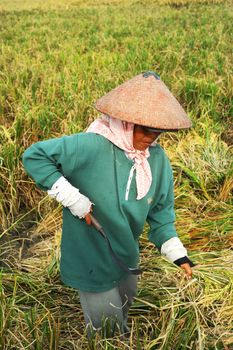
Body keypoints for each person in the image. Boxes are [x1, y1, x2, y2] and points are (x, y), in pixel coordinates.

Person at [22, 71, 194, 338]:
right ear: (125, 122)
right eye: (145, 129)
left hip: (125, 255)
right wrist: (73, 198)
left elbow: (161, 213)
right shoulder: (91, 146)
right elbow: (35, 156)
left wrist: (177, 253)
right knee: (108, 332)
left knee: (124, 307)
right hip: (90, 254)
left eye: (158, 131)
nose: (151, 137)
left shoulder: (157, 161)